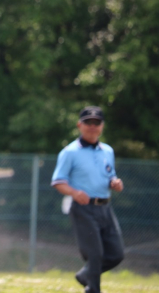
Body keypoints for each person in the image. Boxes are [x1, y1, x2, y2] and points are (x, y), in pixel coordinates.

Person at [51, 106, 124, 293]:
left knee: (116, 254)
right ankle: (93, 289)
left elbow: (110, 176)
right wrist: (74, 192)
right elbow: (58, 182)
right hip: (83, 208)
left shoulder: (107, 151)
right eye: (88, 123)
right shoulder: (70, 152)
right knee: (95, 254)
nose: (92, 126)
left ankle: (86, 276)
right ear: (79, 125)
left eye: (96, 123)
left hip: (105, 208)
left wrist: (115, 183)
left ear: (102, 126)